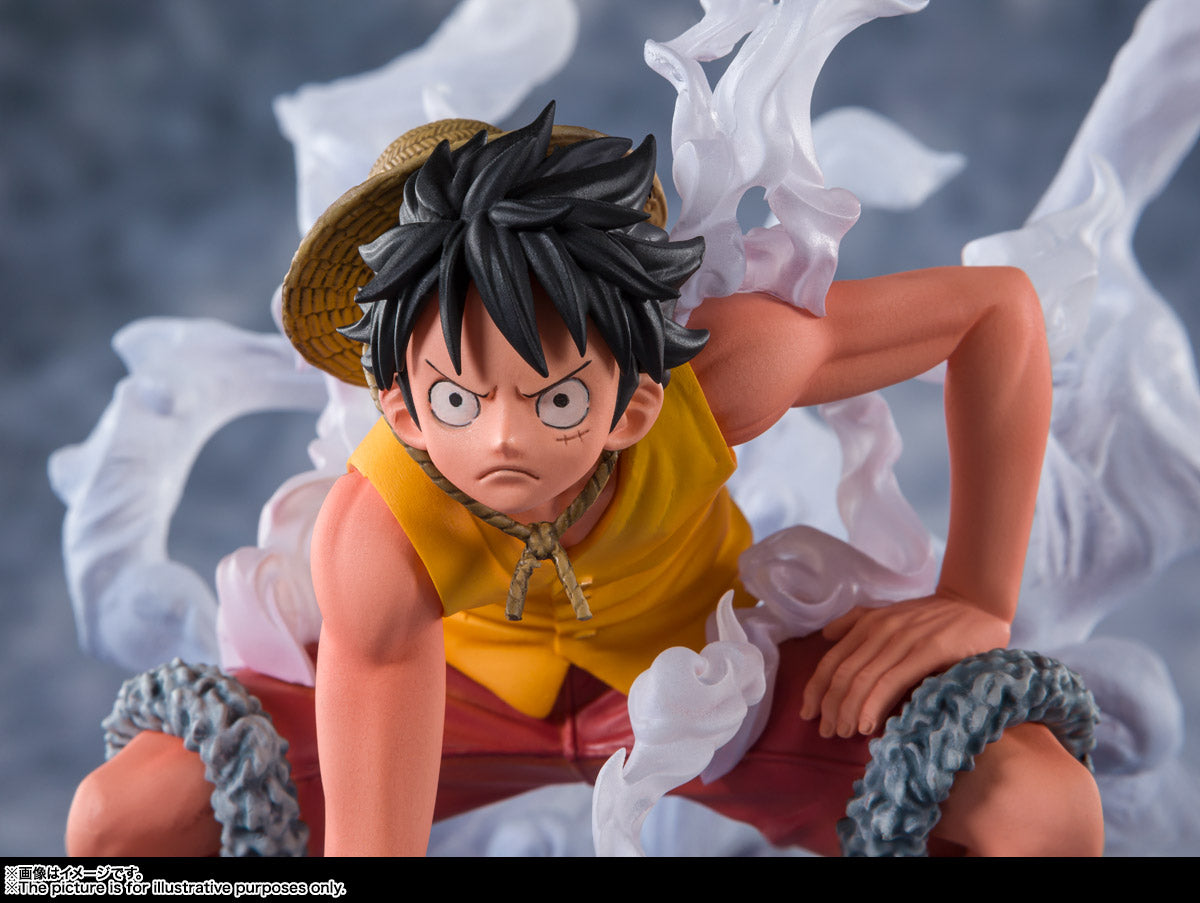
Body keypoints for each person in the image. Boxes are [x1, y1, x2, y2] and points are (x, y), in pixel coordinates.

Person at [67, 104, 1102, 857]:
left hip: (715, 682)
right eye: (459, 400)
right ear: (402, 408)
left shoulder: (716, 381)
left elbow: (996, 311)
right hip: (456, 702)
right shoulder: (377, 530)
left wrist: (977, 594)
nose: (504, 438)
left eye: (556, 398)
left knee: (1040, 811)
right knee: (122, 824)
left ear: (636, 398)